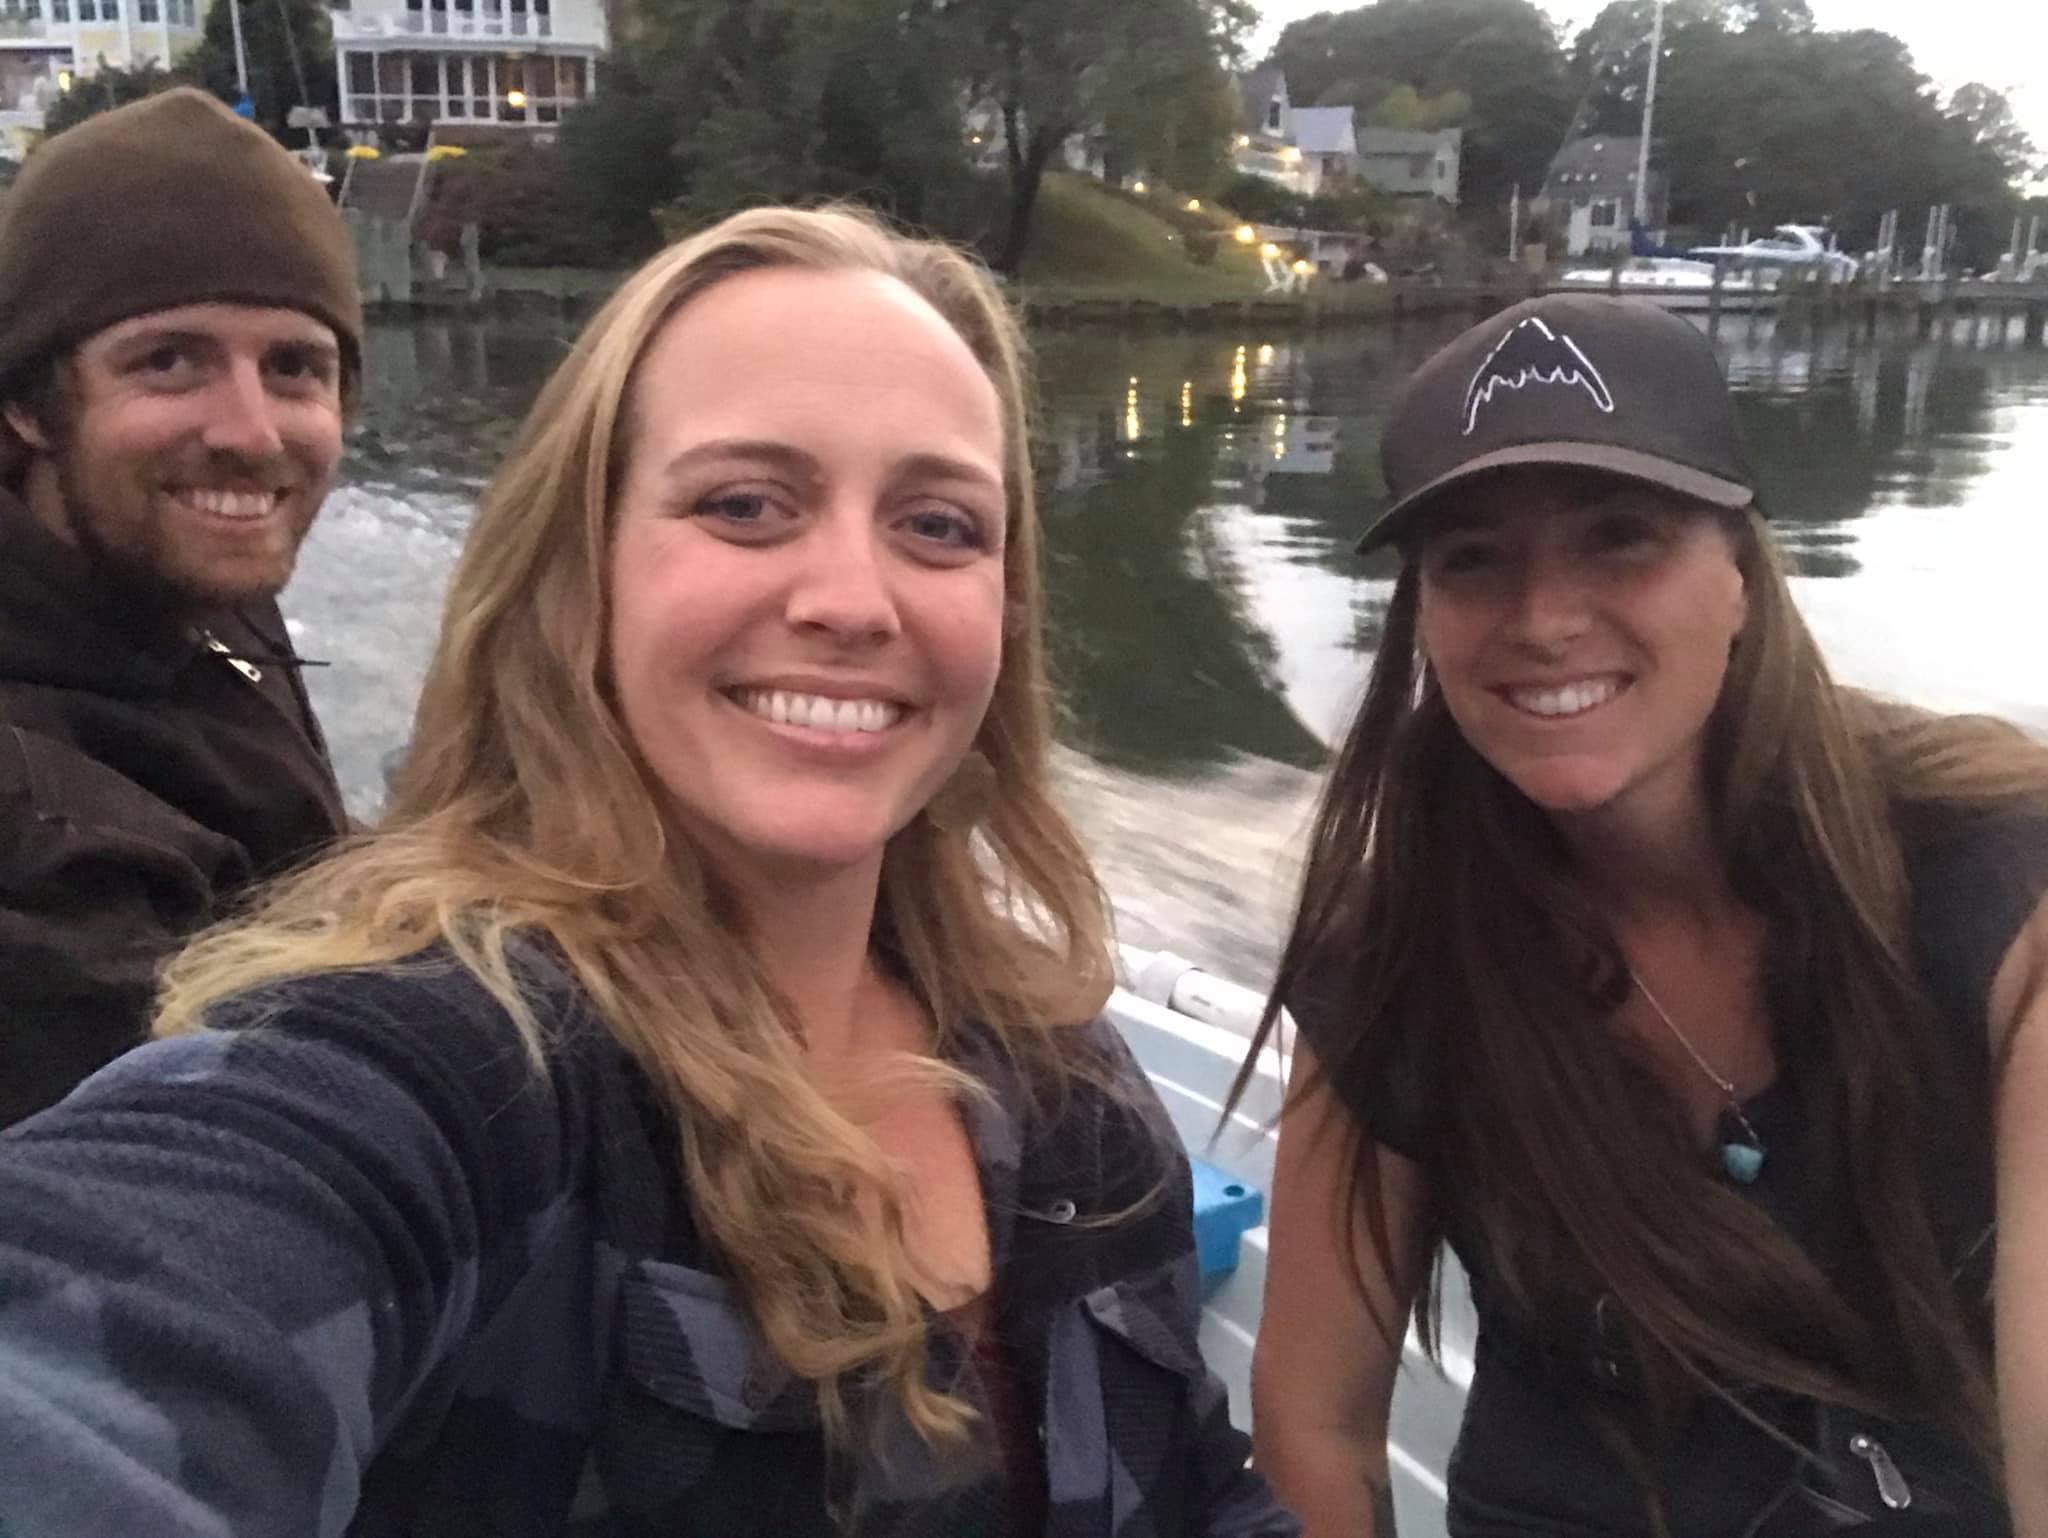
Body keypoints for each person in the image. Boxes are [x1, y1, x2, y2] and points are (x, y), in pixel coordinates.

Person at [0, 206, 1297, 1538]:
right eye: (744, 505)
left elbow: (1205, 1490)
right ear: (580, 574)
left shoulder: (1062, 1068)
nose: (855, 599)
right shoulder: (448, 1076)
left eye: (938, 523)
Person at [1243, 294, 2048, 1537]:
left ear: (1741, 576)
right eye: (1472, 559)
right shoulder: (1400, 952)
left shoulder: (1995, 882)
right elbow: (1316, 1415)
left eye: (1618, 536)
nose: (1542, 619)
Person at [0, 87, 357, 1127]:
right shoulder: (40, 836)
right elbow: (233, 1146)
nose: (251, 431)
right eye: (169, 361)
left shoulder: (175, 577)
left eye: (294, 366)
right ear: (28, 404)